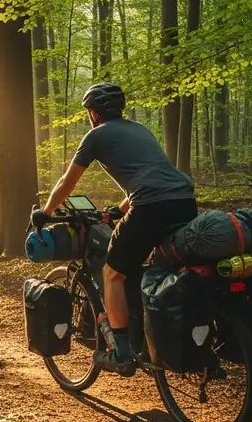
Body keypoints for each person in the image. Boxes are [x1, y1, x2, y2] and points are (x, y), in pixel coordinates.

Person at [32, 82, 197, 375]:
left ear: (94, 113)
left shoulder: (96, 135)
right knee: (160, 269)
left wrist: (44, 214)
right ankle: (153, 333)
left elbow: (67, 183)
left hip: (150, 207)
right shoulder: (141, 131)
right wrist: (118, 212)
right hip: (184, 201)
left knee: (111, 273)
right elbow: (152, 175)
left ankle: (121, 352)